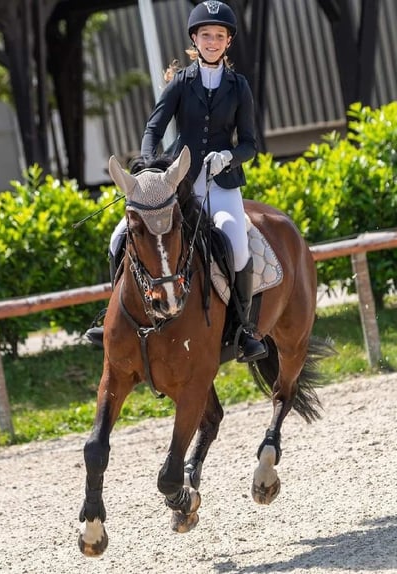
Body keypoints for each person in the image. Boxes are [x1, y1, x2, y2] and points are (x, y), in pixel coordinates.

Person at [86, 0, 266, 362]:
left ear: (227, 41)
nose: (212, 41)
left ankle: (242, 328)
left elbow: (250, 143)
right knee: (119, 235)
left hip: (222, 184)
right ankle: (110, 315)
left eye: (218, 36)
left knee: (236, 241)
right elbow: (153, 129)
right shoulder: (181, 83)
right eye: (205, 36)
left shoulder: (239, 86)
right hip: (179, 185)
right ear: (194, 40)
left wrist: (229, 155)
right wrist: (150, 170)